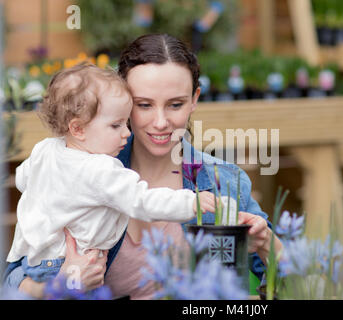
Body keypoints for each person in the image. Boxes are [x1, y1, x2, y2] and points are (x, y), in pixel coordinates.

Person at [3, 34, 283, 299]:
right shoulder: (78, 172)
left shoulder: (225, 181)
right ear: (121, 101)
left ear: (195, 99)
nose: (160, 122)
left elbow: (297, 282)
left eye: (175, 104)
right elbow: (12, 280)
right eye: (144, 105)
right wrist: (58, 284)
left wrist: (266, 244)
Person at [5, 63, 216, 285]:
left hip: (35, 262)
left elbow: (22, 179)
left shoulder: (45, 149)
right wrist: (191, 202)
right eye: (115, 126)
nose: (126, 133)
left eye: (125, 123)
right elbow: (142, 200)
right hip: (73, 263)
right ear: (78, 128)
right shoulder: (102, 169)